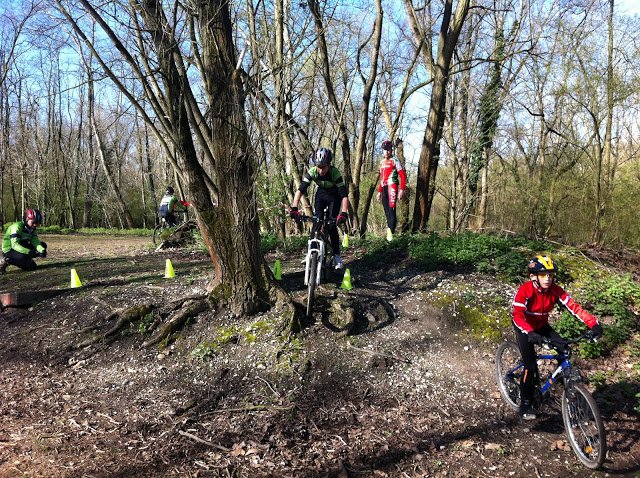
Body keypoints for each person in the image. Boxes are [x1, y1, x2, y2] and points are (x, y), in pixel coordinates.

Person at [512, 255, 603, 420]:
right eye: (543, 275)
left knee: (565, 350)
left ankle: (568, 389)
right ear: (533, 276)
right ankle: (525, 402)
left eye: (550, 275)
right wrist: (530, 333)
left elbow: (575, 308)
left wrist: (594, 325)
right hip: (525, 328)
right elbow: (517, 316)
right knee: (530, 365)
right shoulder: (525, 290)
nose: (547, 278)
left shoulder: (556, 290)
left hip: (542, 326)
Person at [289, 147, 349, 270]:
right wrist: (294, 207)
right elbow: (300, 190)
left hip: (334, 196)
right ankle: (311, 252)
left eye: (324, 167)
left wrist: (343, 212)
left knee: (332, 225)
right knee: (317, 222)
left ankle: (337, 255)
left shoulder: (335, 173)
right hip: (320, 194)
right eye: (318, 167)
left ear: (329, 165)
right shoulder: (312, 172)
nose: (321, 170)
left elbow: (344, 195)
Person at [376, 139, 406, 242]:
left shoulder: (395, 160)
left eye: (388, 150)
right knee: (386, 211)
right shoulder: (381, 162)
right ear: (382, 151)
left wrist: (402, 189)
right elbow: (381, 178)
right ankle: (390, 232)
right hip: (384, 187)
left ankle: (391, 234)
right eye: (385, 150)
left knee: (392, 209)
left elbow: (402, 175)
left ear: (391, 150)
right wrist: (379, 192)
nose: (386, 152)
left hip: (392, 185)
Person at [0, 208, 48, 273]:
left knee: (43, 245)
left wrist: (42, 250)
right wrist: (28, 252)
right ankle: (6, 260)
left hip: (21, 246)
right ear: (27, 219)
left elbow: (35, 241)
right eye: (33, 222)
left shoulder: (32, 228)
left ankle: (25, 259)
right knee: (29, 265)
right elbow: (14, 245)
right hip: (9, 249)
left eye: (37, 223)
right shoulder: (17, 226)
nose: (35, 225)